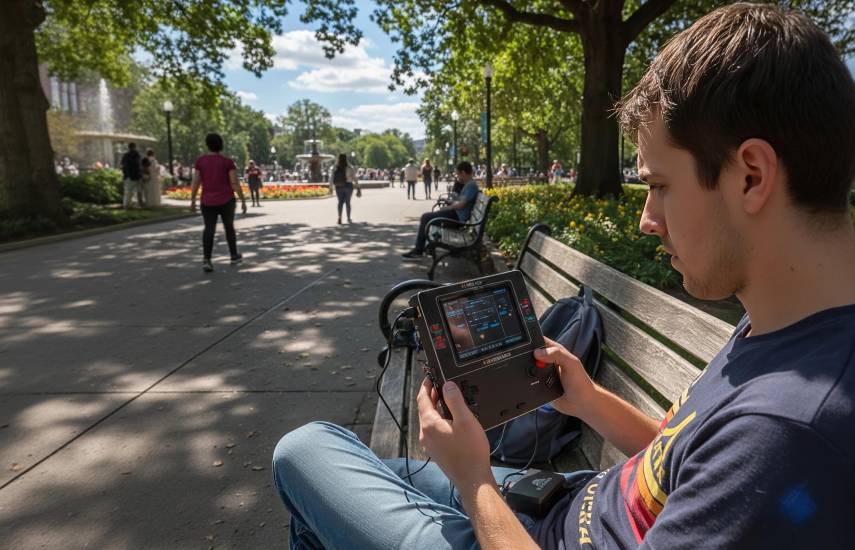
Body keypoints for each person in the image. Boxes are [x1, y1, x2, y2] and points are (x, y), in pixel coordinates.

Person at [272, 5, 855, 549]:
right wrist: (587, 399)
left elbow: (742, 453)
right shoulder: (783, 318)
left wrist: (475, 480)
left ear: (751, 176)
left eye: (658, 185)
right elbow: (682, 456)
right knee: (366, 468)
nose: (648, 219)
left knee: (304, 452)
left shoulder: (785, 432)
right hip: (564, 501)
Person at [190, 133, 247, 273]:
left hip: (207, 201)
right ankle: (234, 255)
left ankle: (207, 260)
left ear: (207, 144)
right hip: (226, 200)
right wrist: (243, 199)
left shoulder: (200, 161)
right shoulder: (227, 162)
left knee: (209, 229)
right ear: (221, 144)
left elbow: (196, 182)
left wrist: (192, 200)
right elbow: (234, 183)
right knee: (229, 227)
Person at [400, 161, 479, 259]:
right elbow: (460, 201)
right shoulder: (469, 184)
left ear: (463, 172)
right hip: (454, 215)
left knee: (426, 217)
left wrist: (448, 207)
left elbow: (461, 205)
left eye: (458, 174)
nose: (458, 177)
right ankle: (425, 248)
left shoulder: (471, 186)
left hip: (456, 219)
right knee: (429, 217)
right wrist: (450, 201)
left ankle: (419, 250)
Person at [329, 153, 361, 224]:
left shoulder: (335, 167)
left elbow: (331, 178)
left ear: (339, 159)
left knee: (340, 202)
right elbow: (354, 178)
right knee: (348, 202)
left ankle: (339, 218)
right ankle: (348, 218)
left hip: (339, 186)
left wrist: (330, 187)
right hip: (348, 186)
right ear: (346, 159)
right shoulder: (349, 167)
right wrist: (358, 187)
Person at [120, 143, 143, 209]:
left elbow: (122, 165)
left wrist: (125, 173)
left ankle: (126, 205)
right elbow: (138, 165)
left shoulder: (125, 155)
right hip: (136, 175)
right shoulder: (136, 155)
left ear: (128, 147)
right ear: (134, 147)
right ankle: (134, 205)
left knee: (127, 192)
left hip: (127, 176)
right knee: (136, 191)